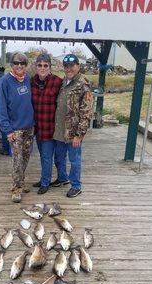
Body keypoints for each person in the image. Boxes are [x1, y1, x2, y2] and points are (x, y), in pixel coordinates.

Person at [52, 54, 93, 198]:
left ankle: (76, 185)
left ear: (78, 66)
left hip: (73, 133)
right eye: (66, 66)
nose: (69, 69)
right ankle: (62, 178)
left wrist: (79, 135)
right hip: (59, 131)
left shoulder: (83, 84)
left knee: (74, 160)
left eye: (72, 66)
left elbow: (86, 113)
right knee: (59, 157)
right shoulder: (64, 82)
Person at [0, 52, 34, 203]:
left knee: (25, 158)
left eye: (23, 63)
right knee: (17, 160)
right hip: (15, 129)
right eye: (16, 63)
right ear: (11, 65)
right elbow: (1, 109)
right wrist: (8, 130)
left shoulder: (27, 79)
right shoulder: (5, 81)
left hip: (29, 127)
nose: (19, 66)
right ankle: (15, 188)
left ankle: (21, 181)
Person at [31, 53, 62, 195]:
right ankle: (44, 178)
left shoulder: (57, 81)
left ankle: (45, 183)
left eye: (45, 65)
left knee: (46, 156)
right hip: (37, 127)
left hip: (50, 128)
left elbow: (70, 90)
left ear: (50, 67)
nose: (42, 68)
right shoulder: (31, 82)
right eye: (40, 65)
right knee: (43, 155)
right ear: (36, 66)